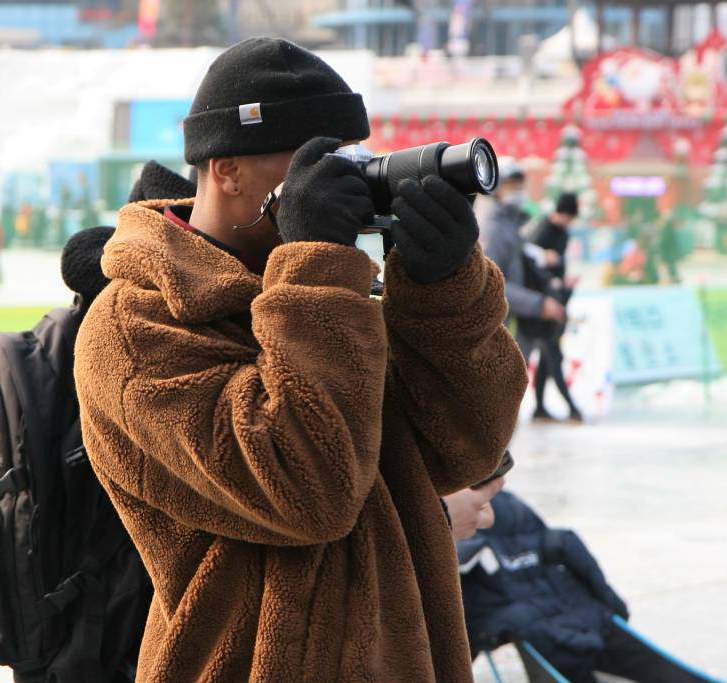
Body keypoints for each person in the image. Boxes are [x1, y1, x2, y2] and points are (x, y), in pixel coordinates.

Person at [73, 37, 528, 682]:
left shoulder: (334, 297)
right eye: (315, 164)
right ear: (227, 170)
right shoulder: (134, 327)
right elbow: (309, 493)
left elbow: (467, 450)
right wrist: (315, 266)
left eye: (350, 160)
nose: (341, 182)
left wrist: (444, 291)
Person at [458, 491, 721, 683]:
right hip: (576, 613)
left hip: (538, 624)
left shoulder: (473, 517)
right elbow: (569, 547)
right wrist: (610, 602)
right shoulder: (511, 506)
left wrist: (481, 634)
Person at [476, 159, 566, 361]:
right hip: (498, 332)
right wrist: (538, 304)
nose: (518, 191)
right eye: (512, 185)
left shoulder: (509, 222)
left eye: (520, 186)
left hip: (512, 324)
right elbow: (489, 284)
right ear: (495, 187)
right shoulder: (491, 227)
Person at [525, 192, 582, 422]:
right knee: (553, 355)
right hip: (544, 305)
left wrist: (563, 283)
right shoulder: (542, 230)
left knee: (547, 357)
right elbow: (529, 264)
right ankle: (572, 408)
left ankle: (540, 407)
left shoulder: (563, 233)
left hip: (558, 298)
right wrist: (550, 280)